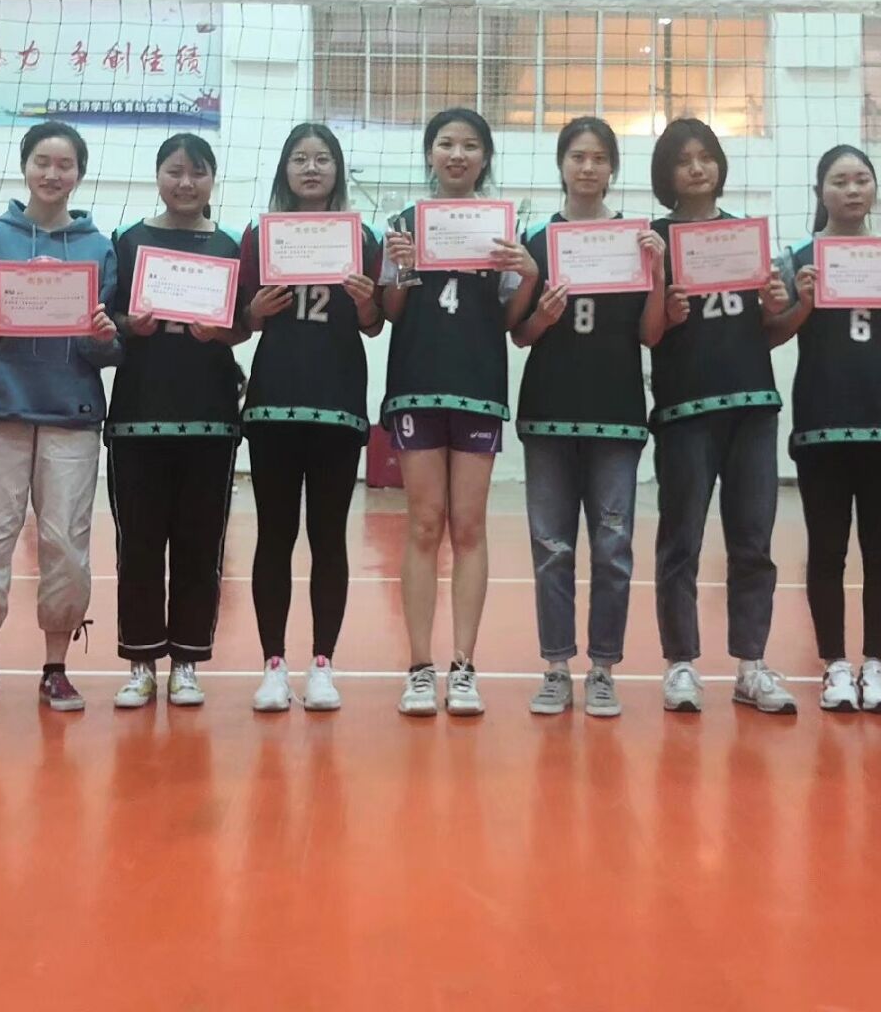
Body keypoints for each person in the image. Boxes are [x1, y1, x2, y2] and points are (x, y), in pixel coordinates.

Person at [0, 121, 121, 717]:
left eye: (64, 164)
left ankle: (56, 668)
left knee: (66, 544)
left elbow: (110, 347)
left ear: (80, 173)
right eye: (42, 162)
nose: (52, 173)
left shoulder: (100, 247)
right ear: (25, 167)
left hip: (71, 413)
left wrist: (103, 335)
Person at [382, 107, 538, 717]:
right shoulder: (404, 223)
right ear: (429, 154)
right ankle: (420, 667)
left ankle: (464, 666)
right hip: (417, 384)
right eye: (445, 143)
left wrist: (527, 274)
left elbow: (509, 319)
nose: (456, 154)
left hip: (478, 384)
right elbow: (390, 311)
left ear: (484, 158)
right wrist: (400, 267)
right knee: (424, 524)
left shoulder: (503, 228)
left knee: (469, 526)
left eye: (470, 145)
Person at [513, 117, 667, 719]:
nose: (587, 167)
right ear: (561, 164)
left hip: (617, 414)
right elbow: (520, 334)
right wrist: (544, 316)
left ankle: (603, 669)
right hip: (549, 412)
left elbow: (651, 335)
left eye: (599, 157)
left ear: (612, 169)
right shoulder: (537, 239)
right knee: (551, 547)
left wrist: (657, 276)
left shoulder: (636, 238)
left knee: (613, 547)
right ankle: (556, 667)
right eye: (577, 156)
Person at [769, 146, 881, 714]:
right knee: (827, 550)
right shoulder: (797, 258)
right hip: (823, 422)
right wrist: (804, 302)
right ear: (821, 192)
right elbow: (774, 332)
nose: (853, 189)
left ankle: (877, 664)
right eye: (840, 181)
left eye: (862, 179)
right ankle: (835, 665)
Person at [648, 119, 797, 715]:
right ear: (667, 172)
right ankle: (681, 664)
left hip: (752, 406)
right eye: (683, 159)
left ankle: (751, 666)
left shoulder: (746, 236)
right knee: (680, 541)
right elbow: (646, 332)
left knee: (753, 542)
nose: (696, 168)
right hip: (685, 409)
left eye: (705, 156)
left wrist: (779, 305)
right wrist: (666, 309)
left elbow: (772, 331)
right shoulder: (654, 240)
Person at [240, 123, 383, 713]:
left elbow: (374, 324)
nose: (311, 168)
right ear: (285, 170)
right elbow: (241, 319)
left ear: (337, 169)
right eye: (299, 158)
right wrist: (254, 309)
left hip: (338, 400)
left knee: (329, 537)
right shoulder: (260, 234)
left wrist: (367, 300)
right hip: (274, 399)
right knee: (274, 535)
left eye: (322, 158)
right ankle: (273, 665)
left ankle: (323, 664)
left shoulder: (363, 235)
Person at [108, 134, 249, 710]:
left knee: (200, 545)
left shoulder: (231, 243)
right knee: (139, 546)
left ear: (212, 178)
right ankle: (141, 662)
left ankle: (187, 662)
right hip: (138, 415)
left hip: (210, 417)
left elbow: (244, 325)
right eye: (174, 171)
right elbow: (107, 314)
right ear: (158, 176)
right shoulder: (127, 240)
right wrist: (129, 324)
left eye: (197, 172)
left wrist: (224, 332)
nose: (185, 183)